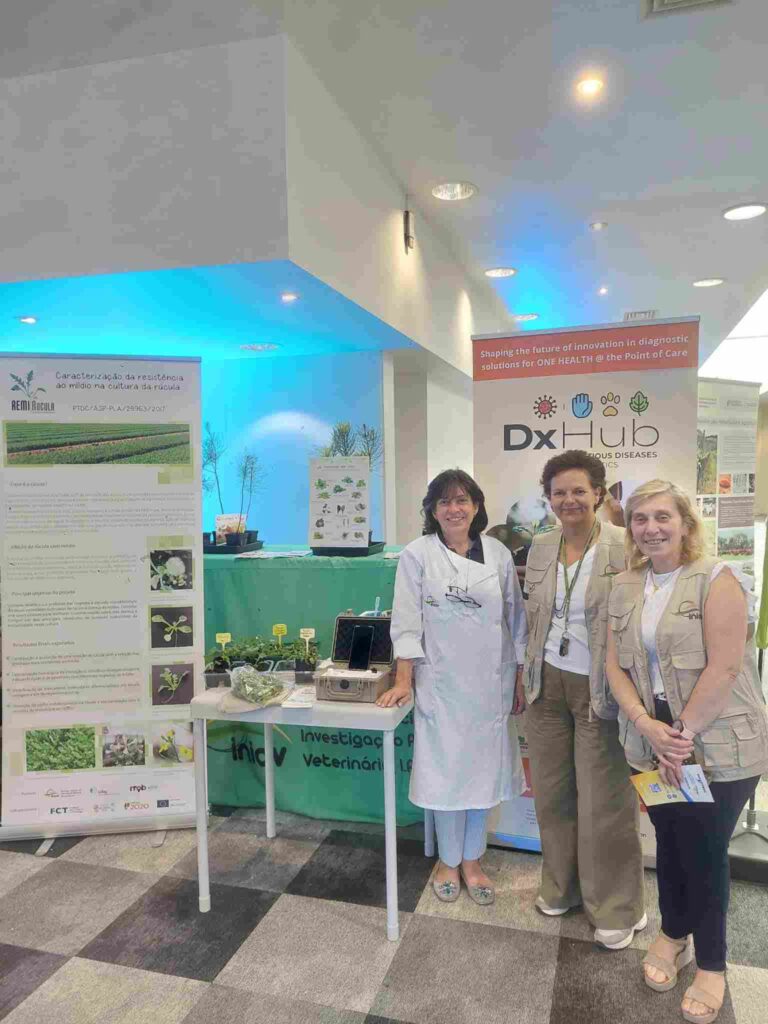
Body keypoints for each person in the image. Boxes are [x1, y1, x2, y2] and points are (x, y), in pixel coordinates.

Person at [606, 480, 768, 1023]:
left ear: (685, 523)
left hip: (717, 743)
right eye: (640, 519)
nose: (651, 528)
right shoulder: (625, 584)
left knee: (704, 850)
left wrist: (679, 737)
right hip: (650, 739)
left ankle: (713, 963)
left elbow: (725, 667)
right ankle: (673, 934)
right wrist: (647, 727)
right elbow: (614, 666)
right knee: (671, 841)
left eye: (662, 517)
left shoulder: (717, 579)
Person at [377, 468, 527, 905]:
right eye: (444, 501)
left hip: (491, 683)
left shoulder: (497, 554)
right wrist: (404, 680)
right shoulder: (417, 555)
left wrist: (519, 676)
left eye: (462, 500)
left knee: (484, 773)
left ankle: (473, 861)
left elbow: (515, 620)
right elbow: (407, 622)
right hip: (441, 683)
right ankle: (447, 861)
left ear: (476, 506)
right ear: (433, 510)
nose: (454, 508)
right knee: (444, 774)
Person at [522, 450, 645, 948]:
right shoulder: (540, 546)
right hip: (545, 686)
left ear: (598, 493)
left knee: (604, 802)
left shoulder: (624, 544)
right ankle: (562, 887)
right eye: (559, 492)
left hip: (601, 688)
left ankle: (617, 906)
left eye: (579, 490)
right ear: (548, 498)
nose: (568, 500)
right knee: (552, 796)